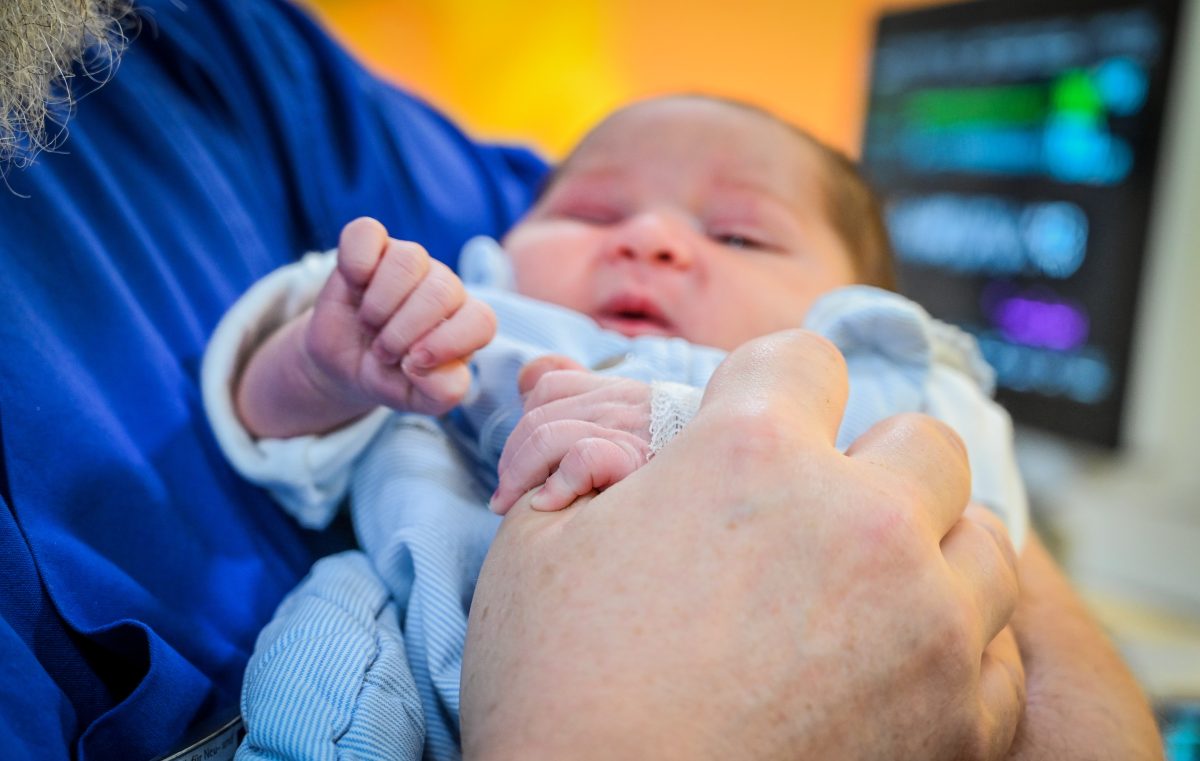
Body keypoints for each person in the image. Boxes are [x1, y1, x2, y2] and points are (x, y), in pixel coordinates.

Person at [0, 2, 1160, 760]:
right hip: (400, 633)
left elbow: (975, 539)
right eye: (595, 209)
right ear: (507, 241)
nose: (651, 235)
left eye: (741, 237)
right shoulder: (479, 317)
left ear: (849, 305)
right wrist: (317, 365)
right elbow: (280, 442)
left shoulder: (871, 366)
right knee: (306, 684)